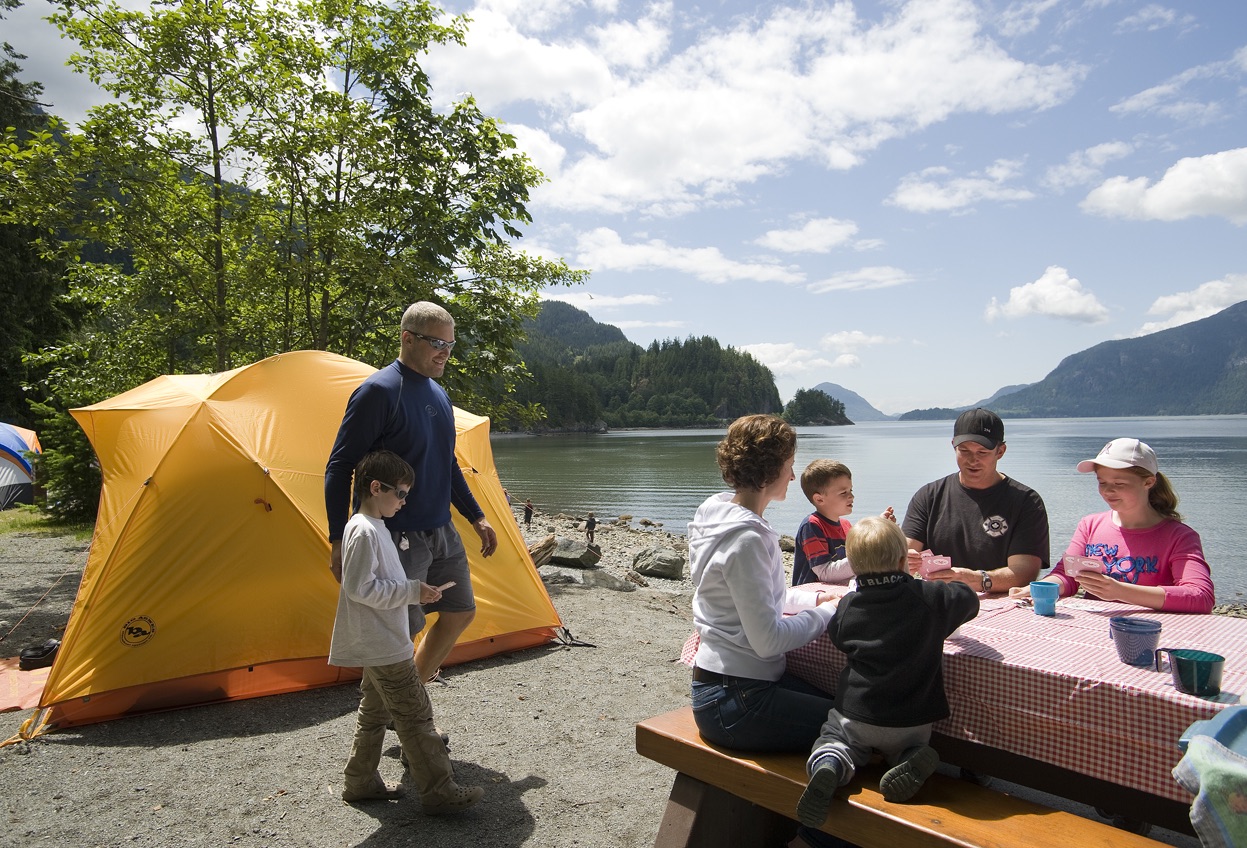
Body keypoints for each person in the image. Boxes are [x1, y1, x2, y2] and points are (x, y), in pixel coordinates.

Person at [688, 414, 841, 848]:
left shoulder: (716, 513)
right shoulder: (748, 538)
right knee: (855, 731)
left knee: (849, 707)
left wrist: (815, 600)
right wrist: (829, 616)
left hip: (727, 687)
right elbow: (769, 639)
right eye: (791, 463)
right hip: (736, 701)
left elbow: (757, 600)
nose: (794, 474)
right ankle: (812, 840)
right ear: (773, 468)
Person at [325, 301, 498, 684]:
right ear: (408, 338)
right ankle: (396, 717)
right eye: (437, 343)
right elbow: (339, 467)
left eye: (451, 345)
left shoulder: (438, 393)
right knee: (396, 632)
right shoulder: (379, 392)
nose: (445, 353)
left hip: (441, 531)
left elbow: (446, 463)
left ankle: (408, 698)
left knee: (459, 611)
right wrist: (338, 538)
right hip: (396, 535)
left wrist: (476, 516)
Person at [797, 517, 979, 827]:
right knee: (910, 746)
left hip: (856, 715)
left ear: (853, 565)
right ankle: (909, 758)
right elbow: (969, 601)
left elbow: (839, 637)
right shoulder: (931, 599)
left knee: (834, 739)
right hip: (913, 718)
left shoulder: (849, 605)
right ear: (901, 560)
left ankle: (830, 763)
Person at [329, 450, 484, 813]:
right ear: (375, 487)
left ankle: (360, 781)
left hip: (380, 640)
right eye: (400, 493)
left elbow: (380, 582)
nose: (404, 501)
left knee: (374, 712)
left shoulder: (374, 526)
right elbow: (359, 588)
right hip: (383, 643)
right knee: (416, 716)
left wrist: (417, 589)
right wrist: (413, 590)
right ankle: (440, 791)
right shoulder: (363, 531)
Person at [1011, 438, 1214, 613]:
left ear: (1149, 482)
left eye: (1119, 484)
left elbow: (1200, 597)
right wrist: (1038, 588)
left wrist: (1120, 591)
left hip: (1152, 634)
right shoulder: (1090, 525)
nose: (1108, 491)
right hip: (1093, 631)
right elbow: (1067, 576)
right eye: (1102, 482)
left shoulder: (1179, 536)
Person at [902, 408, 1049, 595]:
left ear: (1000, 451)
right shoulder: (928, 496)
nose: (973, 460)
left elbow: (1025, 572)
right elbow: (905, 552)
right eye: (964, 451)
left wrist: (977, 579)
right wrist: (905, 559)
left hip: (998, 606)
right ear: (953, 446)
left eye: (982, 452)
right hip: (939, 603)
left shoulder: (1027, 502)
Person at [792, 459, 895, 587]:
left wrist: (879, 526)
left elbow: (863, 547)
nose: (851, 496)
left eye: (851, 490)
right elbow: (824, 573)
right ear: (819, 499)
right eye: (843, 492)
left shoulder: (846, 525)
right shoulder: (812, 525)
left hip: (840, 594)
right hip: (814, 597)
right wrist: (863, 560)